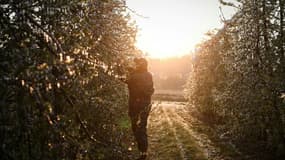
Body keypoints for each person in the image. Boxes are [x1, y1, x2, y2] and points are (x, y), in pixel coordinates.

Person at [126, 58, 154, 160]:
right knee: (141, 128)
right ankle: (143, 152)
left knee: (137, 128)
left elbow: (127, 81)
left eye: (137, 63)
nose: (136, 65)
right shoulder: (148, 75)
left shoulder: (135, 76)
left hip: (136, 106)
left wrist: (130, 72)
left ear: (141, 65)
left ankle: (142, 153)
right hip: (144, 106)